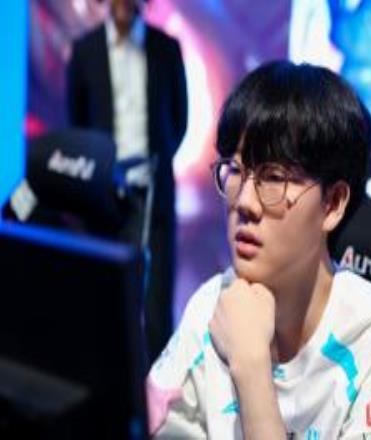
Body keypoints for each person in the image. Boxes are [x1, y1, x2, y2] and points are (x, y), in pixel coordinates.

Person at [147, 61, 371, 439]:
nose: (245, 202)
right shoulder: (212, 304)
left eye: (273, 178)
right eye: (236, 170)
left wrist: (251, 366)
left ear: (332, 204)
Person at [66, 0, 187, 363]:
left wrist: (157, 162)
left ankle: (156, 388)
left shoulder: (166, 48)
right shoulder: (84, 51)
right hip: (104, 196)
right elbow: (77, 122)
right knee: (102, 299)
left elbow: (179, 119)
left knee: (156, 307)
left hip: (154, 194)